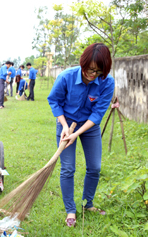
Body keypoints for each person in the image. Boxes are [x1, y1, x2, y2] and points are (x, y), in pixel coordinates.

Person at [47, 43, 115, 227]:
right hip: (66, 123)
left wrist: (76, 133)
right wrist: (64, 127)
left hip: (90, 127)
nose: (92, 75)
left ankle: (88, 204)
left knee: (94, 167)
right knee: (68, 168)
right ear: (83, 62)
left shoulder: (107, 82)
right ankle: (71, 209)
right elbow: (54, 101)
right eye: (89, 69)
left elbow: (98, 113)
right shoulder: (66, 77)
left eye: (98, 72)